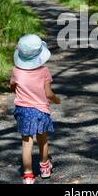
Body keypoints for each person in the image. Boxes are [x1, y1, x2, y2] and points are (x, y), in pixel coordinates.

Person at [10, 34, 61, 184]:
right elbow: (48, 93)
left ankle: (27, 175)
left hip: (23, 110)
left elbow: (13, 87)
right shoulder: (44, 71)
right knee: (42, 139)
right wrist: (56, 100)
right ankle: (45, 167)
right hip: (40, 111)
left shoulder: (16, 71)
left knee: (26, 142)